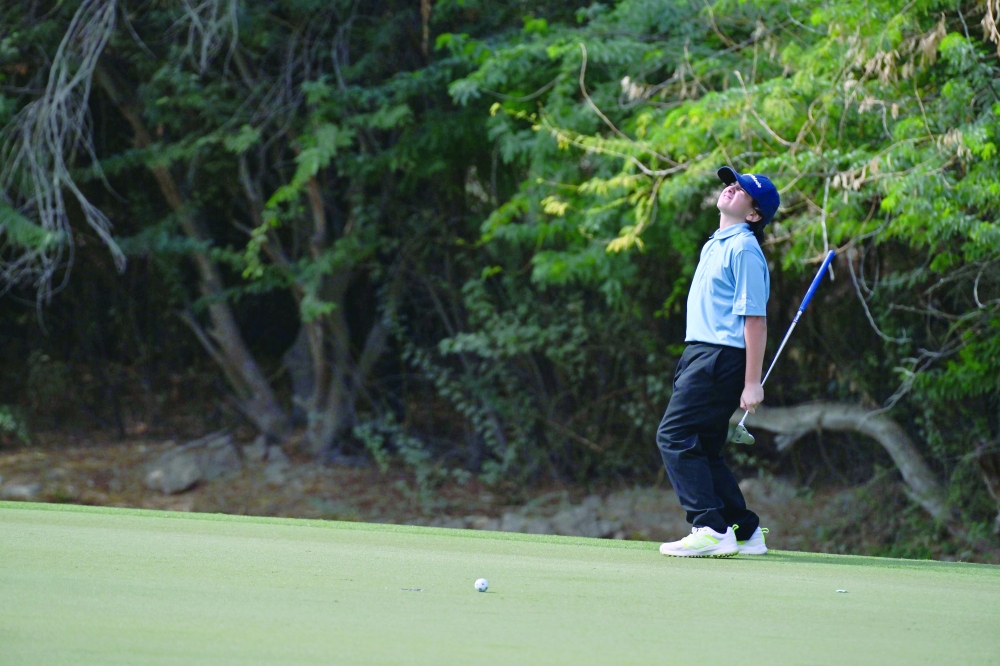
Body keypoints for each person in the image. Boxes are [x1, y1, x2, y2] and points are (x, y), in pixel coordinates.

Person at [657, 166, 779, 558]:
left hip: (720, 356)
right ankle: (744, 531)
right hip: (701, 353)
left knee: (674, 436)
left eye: (742, 189)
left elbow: (755, 319)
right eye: (731, 182)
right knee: (705, 448)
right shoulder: (717, 242)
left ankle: (709, 526)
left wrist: (752, 382)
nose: (731, 187)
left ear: (754, 214)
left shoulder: (743, 247)